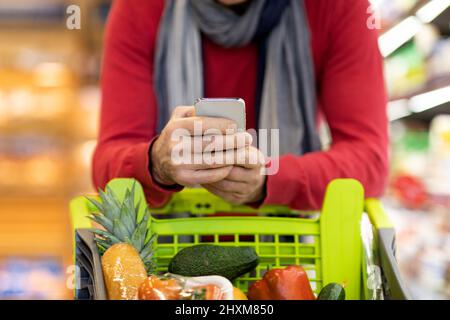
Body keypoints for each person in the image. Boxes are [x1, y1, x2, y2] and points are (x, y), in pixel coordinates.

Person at [93, 0, 388, 210]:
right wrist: (156, 161)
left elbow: (370, 162)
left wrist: (271, 177)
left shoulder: (339, 7)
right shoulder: (139, 8)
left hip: (289, 254)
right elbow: (106, 164)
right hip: (166, 261)